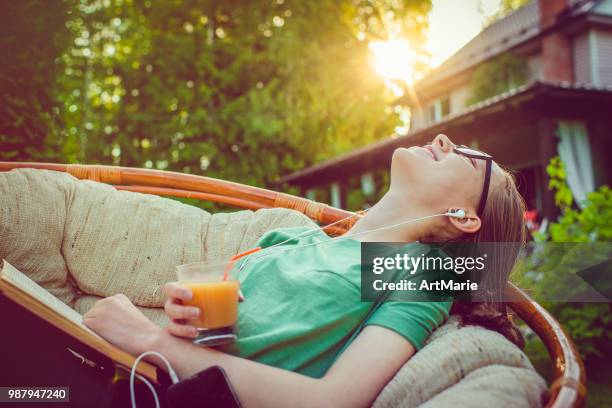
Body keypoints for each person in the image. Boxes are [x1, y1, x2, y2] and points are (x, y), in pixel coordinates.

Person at [83, 134, 526, 407]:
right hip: (132, 383)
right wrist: (188, 322)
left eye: (466, 160)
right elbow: (229, 344)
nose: (444, 139)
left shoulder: (422, 272)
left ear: (463, 217)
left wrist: (148, 338)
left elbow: (330, 401)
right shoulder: (294, 240)